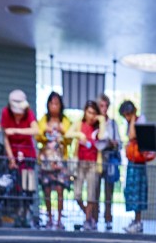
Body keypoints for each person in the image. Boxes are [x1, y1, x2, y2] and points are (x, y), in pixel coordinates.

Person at [1, 89, 38, 228]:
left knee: (28, 188)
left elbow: (36, 130)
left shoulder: (29, 114)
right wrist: (11, 158)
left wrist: (17, 131)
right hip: (14, 155)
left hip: (28, 156)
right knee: (16, 188)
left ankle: (26, 215)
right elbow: (6, 138)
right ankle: (17, 215)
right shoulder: (6, 113)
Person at [68, 99, 105, 231]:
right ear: (85, 112)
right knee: (77, 194)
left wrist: (102, 121)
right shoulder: (79, 124)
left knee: (91, 194)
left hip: (94, 163)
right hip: (80, 163)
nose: (91, 116)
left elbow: (102, 138)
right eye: (89, 112)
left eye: (94, 113)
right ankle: (89, 216)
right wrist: (78, 135)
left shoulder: (98, 127)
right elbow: (67, 133)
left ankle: (88, 220)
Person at [37, 91, 72, 230]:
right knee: (46, 189)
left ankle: (59, 219)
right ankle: (49, 218)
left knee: (59, 189)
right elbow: (38, 136)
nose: (54, 106)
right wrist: (46, 131)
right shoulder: (43, 120)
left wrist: (62, 131)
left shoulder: (65, 120)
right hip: (46, 160)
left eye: (56, 103)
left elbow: (69, 138)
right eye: (51, 103)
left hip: (60, 159)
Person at [94, 93, 122, 230]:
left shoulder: (113, 123)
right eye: (101, 106)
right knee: (95, 190)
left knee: (108, 192)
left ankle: (108, 218)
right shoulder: (94, 122)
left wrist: (113, 143)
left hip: (109, 158)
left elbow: (119, 142)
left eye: (106, 106)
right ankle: (94, 217)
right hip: (97, 159)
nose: (104, 108)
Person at [119, 99, 147, 234]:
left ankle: (138, 221)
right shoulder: (131, 122)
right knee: (131, 191)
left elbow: (132, 136)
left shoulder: (139, 120)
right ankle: (135, 221)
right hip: (132, 162)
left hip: (138, 163)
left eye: (127, 115)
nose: (126, 118)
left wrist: (132, 121)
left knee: (138, 192)